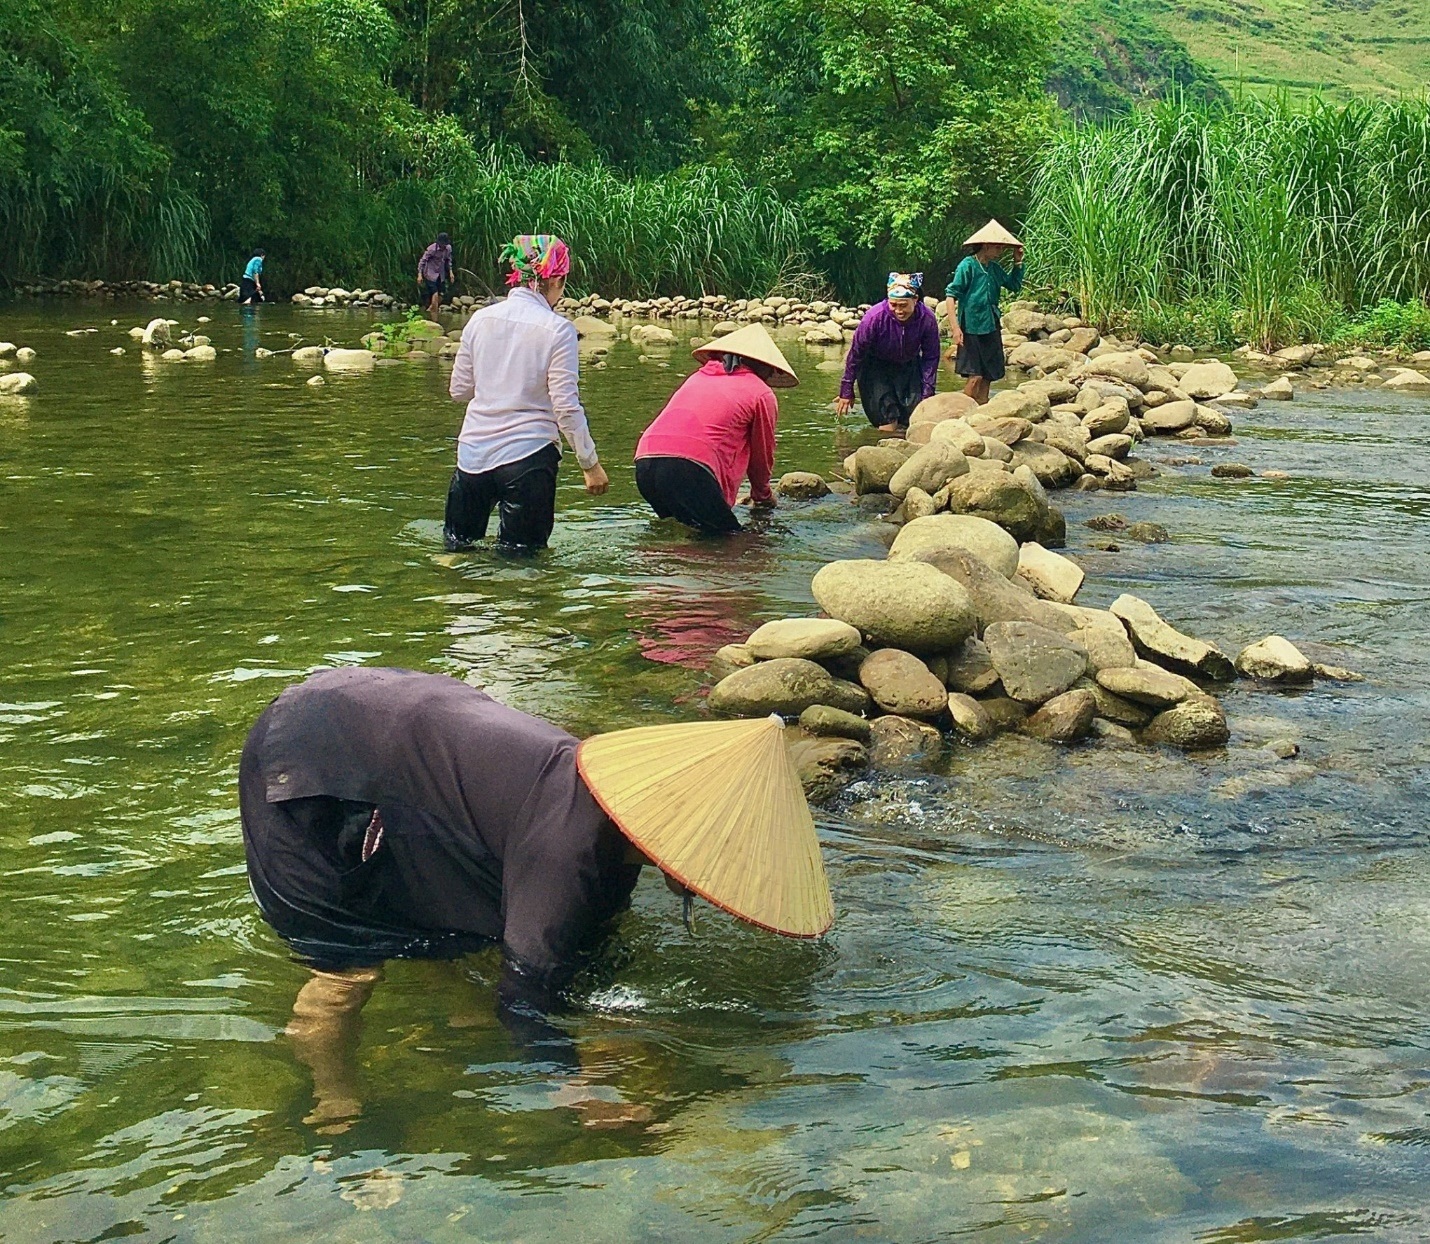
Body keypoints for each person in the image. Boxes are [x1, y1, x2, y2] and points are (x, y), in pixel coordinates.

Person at [239, 667, 832, 1129]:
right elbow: (524, 993)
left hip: (396, 724)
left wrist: (604, 1020)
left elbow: (586, 937)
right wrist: (570, 1082)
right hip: (309, 759)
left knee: (453, 925)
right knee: (348, 968)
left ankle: (446, 1010)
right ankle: (333, 1096)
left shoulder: (611, 812)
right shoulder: (569, 848)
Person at [444, 233, 609, 554]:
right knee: (523, 561)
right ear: (557, 280)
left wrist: (497, 379)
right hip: (528, 458)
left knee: (457, 550)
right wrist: (589, 463)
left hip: (472, 457)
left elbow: (459, 390)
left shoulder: (479, 320)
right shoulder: (558, 329)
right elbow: (565, 406)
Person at [634, 324, 797, 536]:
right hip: (688, 468)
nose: (772, 373)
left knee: (681, 534)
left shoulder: (698, 377)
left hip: (645, 463)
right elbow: (761, 455)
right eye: (771, 368)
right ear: (762, 365)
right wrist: (762, 496)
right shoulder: (761, 393)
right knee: (728, 541)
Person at [834, 273, 941, 432]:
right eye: (894, 305)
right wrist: (846, 389)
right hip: (874, 368)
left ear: (915, 299)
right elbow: (856, 354)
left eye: (903, 305)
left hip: (908, 365)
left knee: (912, 418)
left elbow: (931, 357)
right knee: (888, 420)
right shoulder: (874, 318)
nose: (899, 310)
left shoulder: (927, 319)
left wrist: (928, 392)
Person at [945, 219, 1025, 405]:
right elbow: (951, 295)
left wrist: (1018, 262)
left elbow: (1013, 285)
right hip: (971, 326)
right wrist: (956, 328)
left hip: (990, 324)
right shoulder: (968, 266)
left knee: (988, 374)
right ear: (986, 246)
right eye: (997, 247)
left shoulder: (994, 269)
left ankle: (982, 408)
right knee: (975, 376)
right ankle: (961, 409)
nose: (1000, 251)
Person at [417, 232, 454, 318]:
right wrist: (419, 274)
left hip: (441, 274)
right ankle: (435, 317)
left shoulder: (448, 248)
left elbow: (449, 260)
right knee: (435, 293)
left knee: (442, 294)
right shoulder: (432, 249)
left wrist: (451, 272)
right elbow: (422, 261)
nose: (443, 246)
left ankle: (429, 311)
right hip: (430, 273)